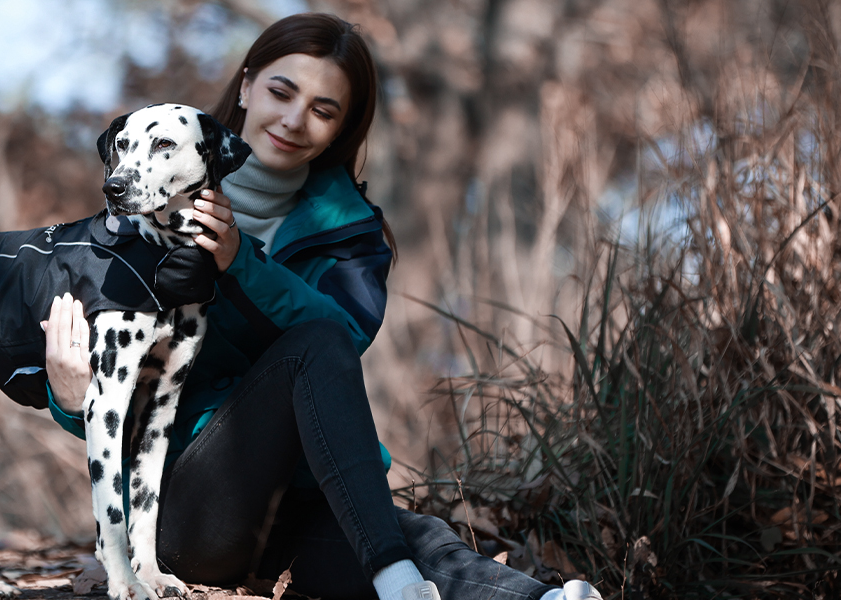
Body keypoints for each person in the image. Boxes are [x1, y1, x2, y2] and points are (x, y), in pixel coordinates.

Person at [40, 13, 602, 600]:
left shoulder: (352, 234)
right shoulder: (140, 209)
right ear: (246, 86)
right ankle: (397, 573)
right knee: (322, 369)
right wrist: (70, 400)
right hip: (185, 513)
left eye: (323, 109)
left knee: (414, 538)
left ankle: (536, 598)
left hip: (301, 503)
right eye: (282, 92)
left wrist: (241, 262)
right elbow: (102, 385)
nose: (294, 119)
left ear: (340, 129)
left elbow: (341, 342)